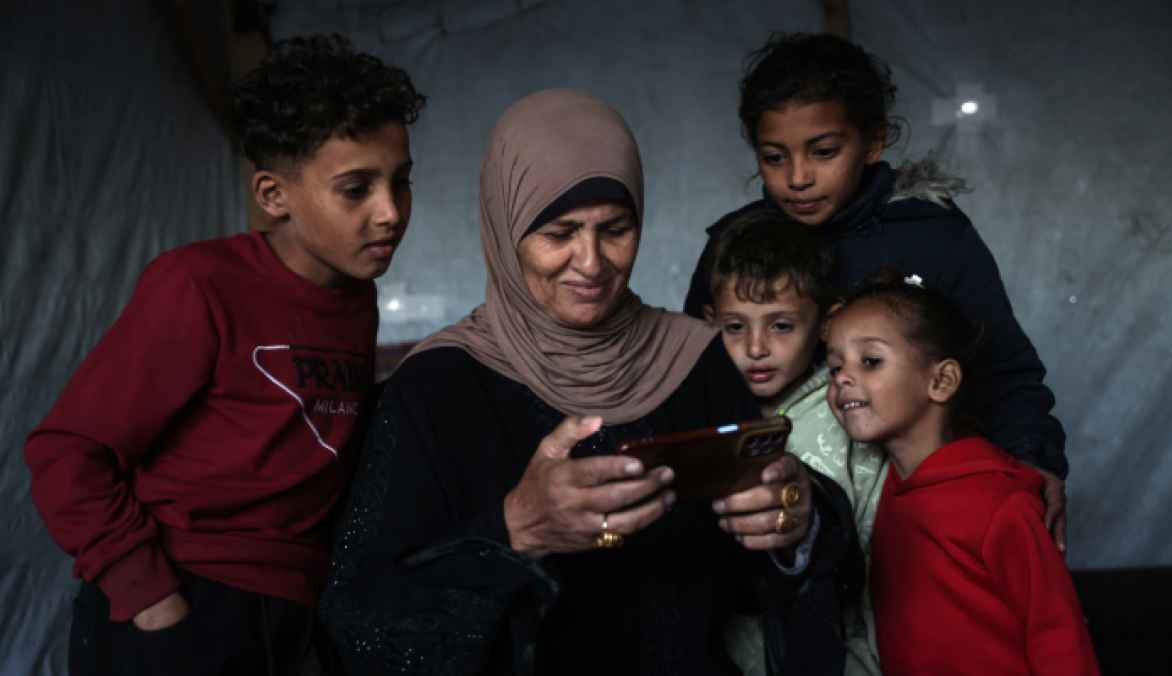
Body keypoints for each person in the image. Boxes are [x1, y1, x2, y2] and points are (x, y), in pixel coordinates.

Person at [318, 89, 857, 676]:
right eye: (560, 233)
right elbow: (361, 620)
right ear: (506, 228)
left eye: (615, 229)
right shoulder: (437, 387)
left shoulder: (693, 359)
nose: (593, 262)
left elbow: (754, 576)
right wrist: (513, 529)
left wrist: (796, 521)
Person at [23, 34, 425, 675]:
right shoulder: (198, 284)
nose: (390, 212)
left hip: (292, 610)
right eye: (356, 189)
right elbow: (67, 451)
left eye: (400, 182)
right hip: (182, 604)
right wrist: (147, 594)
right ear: (272, 195)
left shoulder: (357, 298)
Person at [681, 32, 1070, 548]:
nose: (798, 177)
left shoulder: (930, 237)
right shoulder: (737, 248)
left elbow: (1002, 367)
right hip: (782, 518)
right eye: (774, 157)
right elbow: (696, 379)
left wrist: (1034, 458)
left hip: (926, 509)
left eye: (823, 151)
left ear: (874, 141)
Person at [824, 271, 1100, 676]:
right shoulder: (884, 491)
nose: (842, 378)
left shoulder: (1001, 502)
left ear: (941, 380)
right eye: (834, 367)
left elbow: (1061, 639)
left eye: (870, 361)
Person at [703, 207, 886, 676]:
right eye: (735, 327)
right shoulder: (704, 413)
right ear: (709, 323)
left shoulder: (848, 413)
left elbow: (880, 563)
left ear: (826, 324)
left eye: (781, 325)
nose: (756, 347)